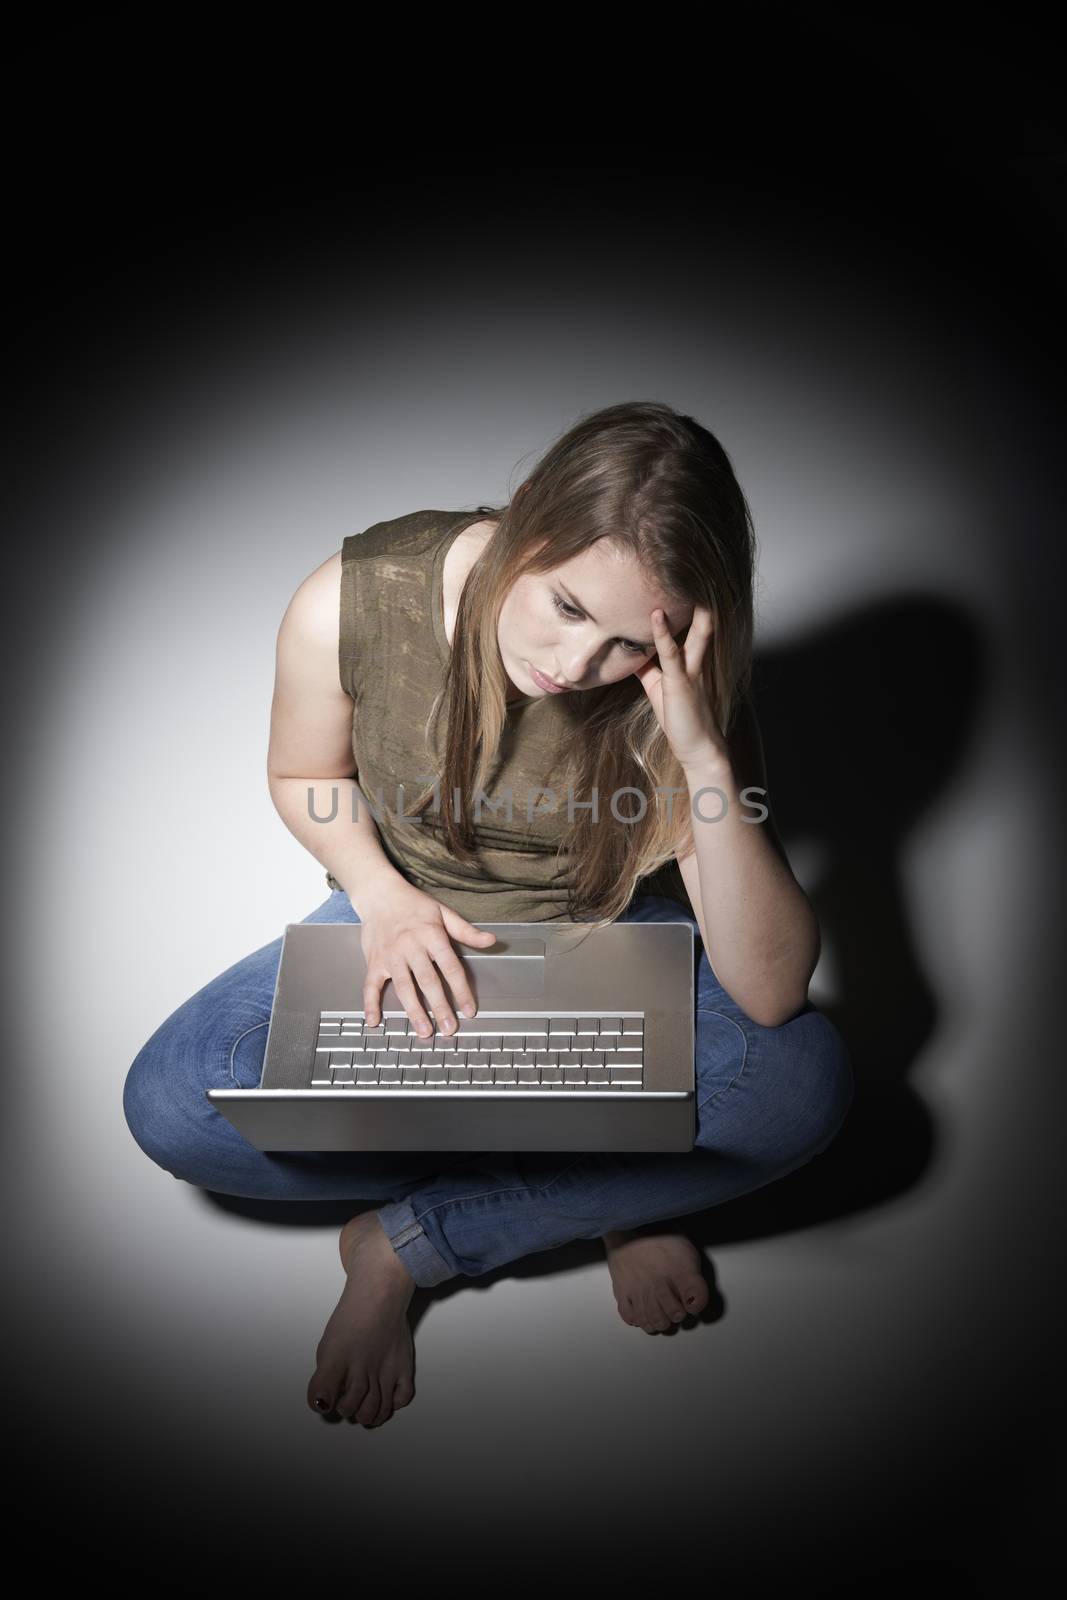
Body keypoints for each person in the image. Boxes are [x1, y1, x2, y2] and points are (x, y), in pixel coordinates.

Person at [123, 400, 854, 1430]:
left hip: (608, 932)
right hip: (407, 912)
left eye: (624, 644)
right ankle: (614, 1176)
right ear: (524, 519)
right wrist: (380, 896)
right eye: (563, 606)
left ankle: (407, 1242)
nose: (578, 665)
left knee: (801, 1086)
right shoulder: (352, 599)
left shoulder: (675, 679)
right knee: (170, 1104)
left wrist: (698, 752)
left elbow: (770, 990)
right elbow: (304, 775)